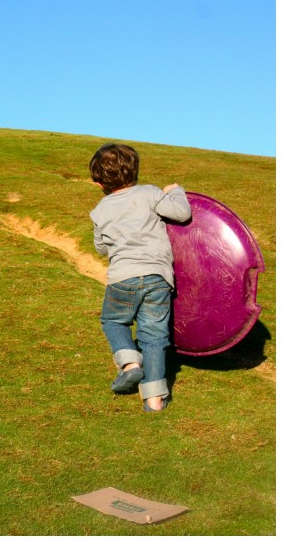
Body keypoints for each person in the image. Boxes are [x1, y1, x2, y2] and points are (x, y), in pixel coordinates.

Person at [89, 143, 191, 412]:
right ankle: (155, 400)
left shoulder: (100, 210)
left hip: (123, 277)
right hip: (158, 277)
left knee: (113, 320)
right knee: (154, 337)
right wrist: (176, 191)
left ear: (98, 182)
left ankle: (130, 364)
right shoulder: (149, 193)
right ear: (135, 170)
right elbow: (182, 212)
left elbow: (101, 247)